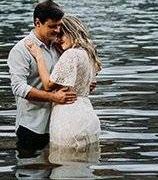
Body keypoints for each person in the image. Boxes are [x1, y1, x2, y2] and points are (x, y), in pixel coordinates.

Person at [24, 14, 101, 163]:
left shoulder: (71, 54)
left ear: (72, 32)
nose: (58, 40)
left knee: (63, 169)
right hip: (87, 115)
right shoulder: (87, 53)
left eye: (62, 35)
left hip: (68, 116)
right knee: (83, 170)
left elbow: (47, 84)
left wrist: (39, 56)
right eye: (56, 36)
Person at [8, 0, 77, 156]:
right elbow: (18, 88)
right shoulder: (20, 50)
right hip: (33, 126)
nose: (57, 30)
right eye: (52, 26)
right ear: (37, 23)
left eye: (59, 25)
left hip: (59, 124)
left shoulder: (60, 45)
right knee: (32, 176)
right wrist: (53, 97)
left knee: (57, 175)